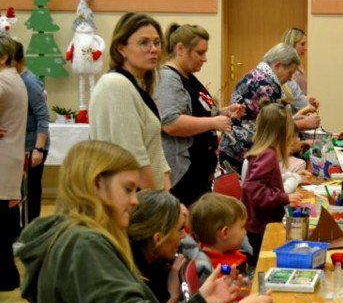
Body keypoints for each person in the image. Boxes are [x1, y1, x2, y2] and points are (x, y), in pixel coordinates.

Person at [15, 140, 280, 303]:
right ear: (97, 184)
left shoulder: (75, 241)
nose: (135, 201)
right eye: (128, 189)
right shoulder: (82, 246)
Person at [156, 23, 244, 207]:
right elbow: (170, 123)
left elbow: (195, 112)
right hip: (183, 176)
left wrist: (222, 112)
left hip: (198, 175)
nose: (204, 59)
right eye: (200, 52)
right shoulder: (168, 79)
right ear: (180, 49)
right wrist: (213, 122)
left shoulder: (187, 75)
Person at [89, 12, 171, 190]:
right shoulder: (116, 85)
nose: (154, 49)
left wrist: (166, 190)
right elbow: (133, 157)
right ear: (121, 48)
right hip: (132, 199)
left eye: (157, 42)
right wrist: (156, 204)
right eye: (144, 43)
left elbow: (154, 148)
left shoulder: (137, 85)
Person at [221, 43, 320, 171]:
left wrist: (294, 119)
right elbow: (274, 126)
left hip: (233, 150)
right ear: (278, 65)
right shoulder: (268, 85)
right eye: (290, 73)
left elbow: (266, 119)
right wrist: (303, 124)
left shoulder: (256, 75)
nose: (290, 79)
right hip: (244, 154)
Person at [241, 103, 304, 260]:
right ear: (283, 133)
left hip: (258, 225)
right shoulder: (268, 155)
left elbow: (262, 184)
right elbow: (255, 190)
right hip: (261, 228)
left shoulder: (263, 152)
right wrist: (284, 197)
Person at [0, 35, 27, 292]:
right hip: (10, 157)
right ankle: (6, 277)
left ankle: (6, 277)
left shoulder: (2, 80)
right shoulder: (14, 78)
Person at [13, 41, 49, 225]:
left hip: (32, 145)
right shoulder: (14, 79)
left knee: (30, 193)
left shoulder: (29, 82)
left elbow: (43, 117)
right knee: (18, 192)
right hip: (20, 145)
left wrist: (38, 149)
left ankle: (30, 233)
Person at [184, 192, 251, 283]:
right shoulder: (218, 274)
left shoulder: (227, 249)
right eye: (242, 227)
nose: (245, 232)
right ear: (225, 233)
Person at [280, 27, 319, 113]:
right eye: (302, 44)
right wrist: (303, 101)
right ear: (292, 45)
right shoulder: (283, 71)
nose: (305, 48)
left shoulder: (299, 70)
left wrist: (308, 102)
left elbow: (299, 96)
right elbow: (283, 99)